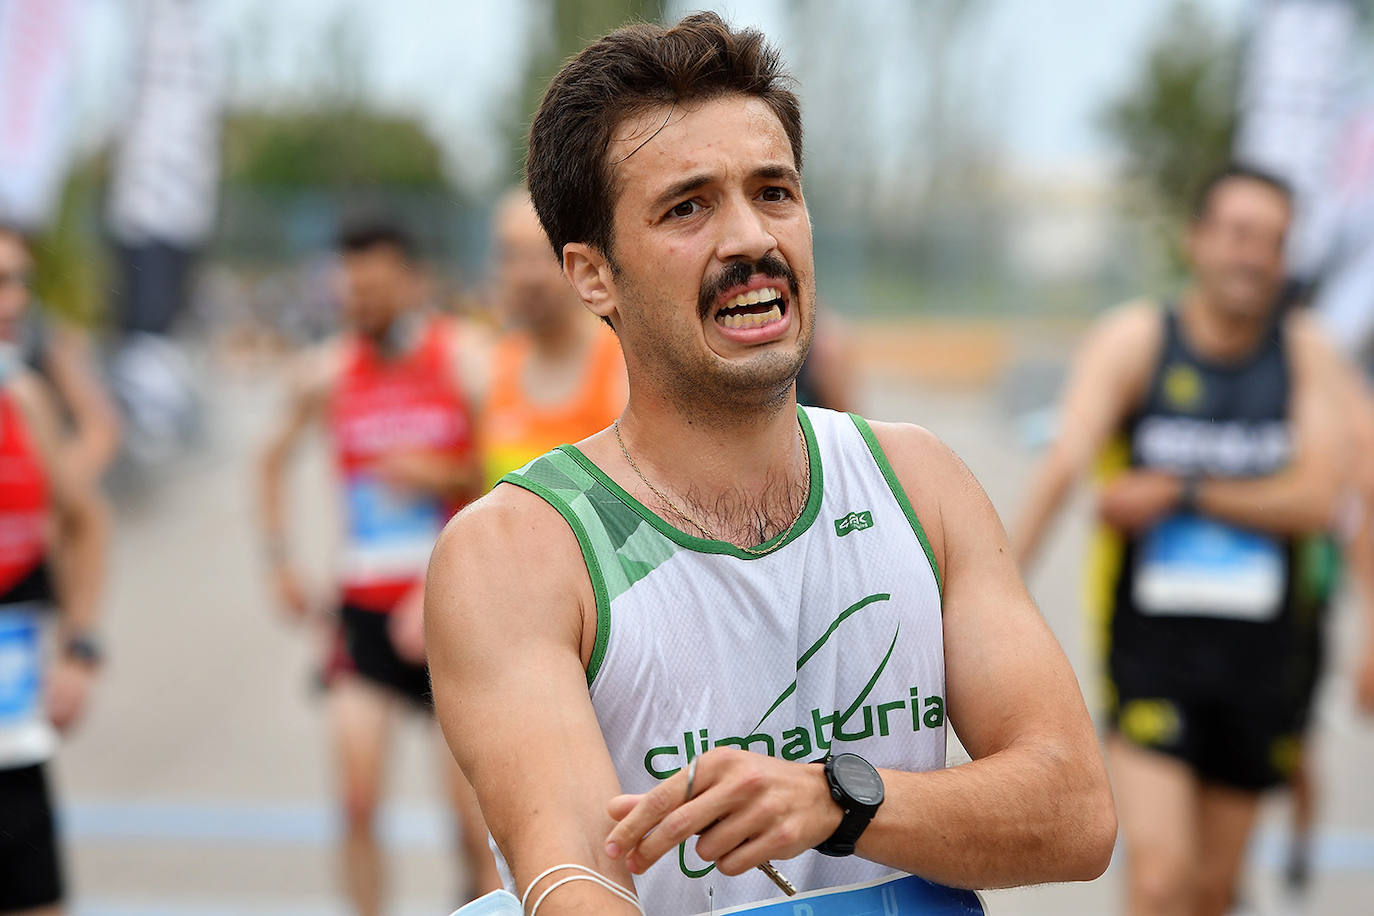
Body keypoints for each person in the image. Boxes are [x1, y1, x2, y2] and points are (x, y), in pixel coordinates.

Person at [425, 14, 1116, 916]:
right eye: (688, 207)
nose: (750, 239)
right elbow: (573, 881)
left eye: (774, 192)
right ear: (593, 276)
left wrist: (836, 801)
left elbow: (1076, 814)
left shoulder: (919, 481)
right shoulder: (515, 552)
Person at [1010, 165, 1354, 916]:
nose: (1252, 256)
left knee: (1210, 890)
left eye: (1271, 241)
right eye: (1236, 234)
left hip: (1264, 662)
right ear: (1197, 240)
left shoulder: (1306, 354)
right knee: (1161, 877)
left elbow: (1319, 497)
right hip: (1153, 652)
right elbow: (1064, 465)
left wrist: (1182, 490)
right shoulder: (1136, 341)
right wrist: (996, 593)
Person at [257, 220, 499, 914]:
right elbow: (268, 459)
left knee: (471, 825)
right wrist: (280, 560)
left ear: (413, 281)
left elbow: (511, 467)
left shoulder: (463, 360)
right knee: (356, 802)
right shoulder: (328, 371)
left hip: (452, 612)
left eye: (375, 290)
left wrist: (444, 471)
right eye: (351, 291)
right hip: (364, 612)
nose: (361, 305)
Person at [0, 222, 109, 914]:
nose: (10, 302)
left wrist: (81, 646)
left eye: (15, 283)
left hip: (13, 732)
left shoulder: (24, 397)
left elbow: (86, 520)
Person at [482, 190, 627, 487]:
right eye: (512, 256)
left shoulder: (624, 365)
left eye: (545, 254)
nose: (528, 277)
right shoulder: (488, 369)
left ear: (581, 262)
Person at [0, 226, 121, 488]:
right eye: (0, 281)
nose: (18, 299)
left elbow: (101, 429)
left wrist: (48, 493)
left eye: (23, 280)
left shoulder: (47, 338)